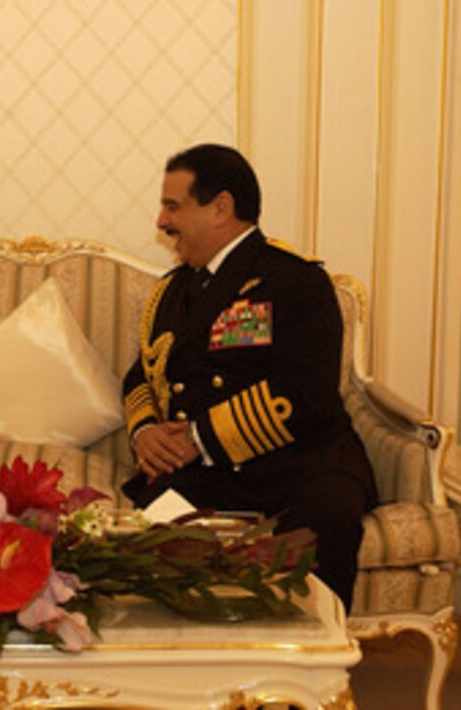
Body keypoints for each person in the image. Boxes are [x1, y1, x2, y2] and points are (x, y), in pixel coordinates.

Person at [121, 144, 376, 611]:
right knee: (151, 532)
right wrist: (146, 432)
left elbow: (306, 394)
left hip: (304, 462)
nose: (161, 221)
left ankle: (313, 667)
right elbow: (143, 372)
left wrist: (195, 438)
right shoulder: (172, 291)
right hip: (209, 471)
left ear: (221, 208)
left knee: (328, 521)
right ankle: (204, 658)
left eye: (172, 206)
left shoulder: (295, 281)